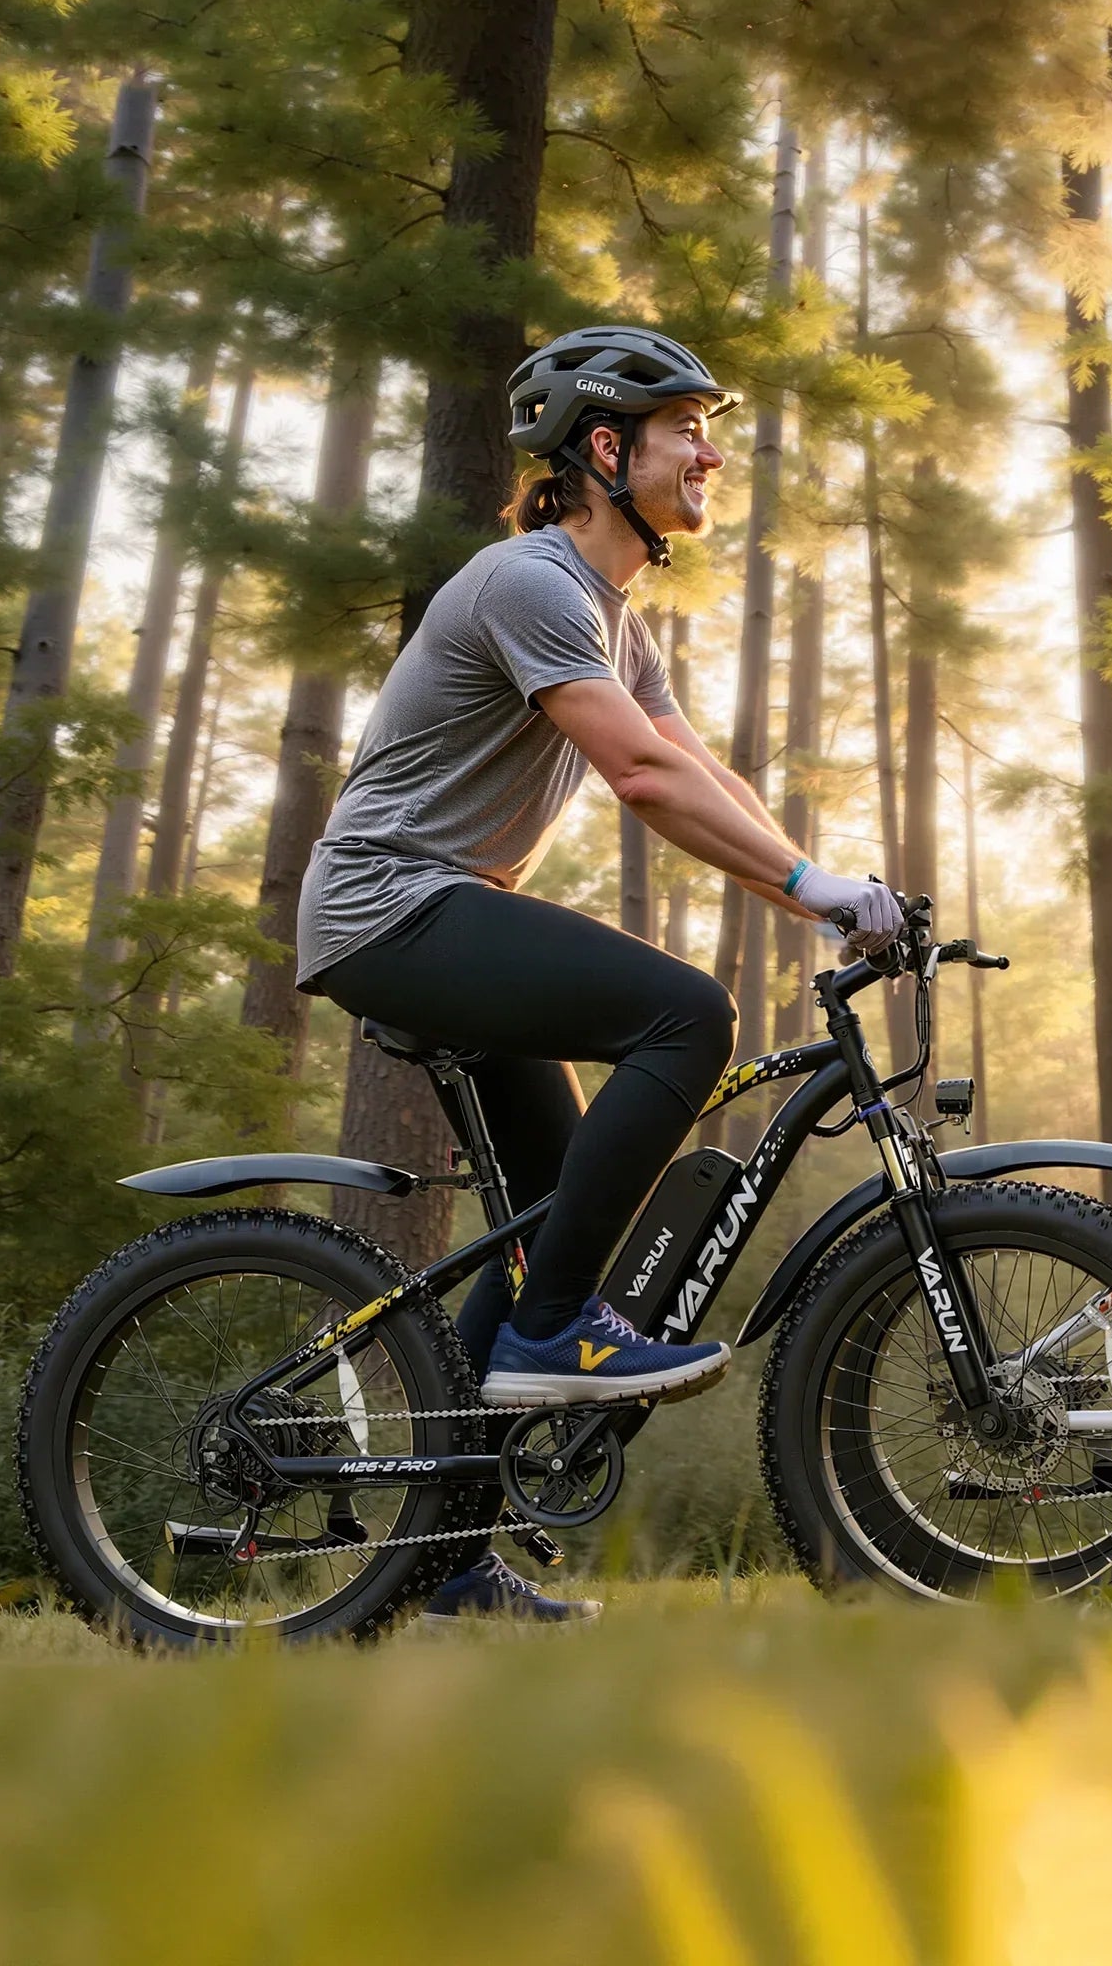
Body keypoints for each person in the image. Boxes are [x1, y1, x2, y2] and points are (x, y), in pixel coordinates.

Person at [295, 325, 902, 1620]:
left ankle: (442, 1561)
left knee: (553, 1224)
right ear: (607, 448)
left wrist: (817, 880)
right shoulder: (530, 582)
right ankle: (549, 1335)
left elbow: (695, 771)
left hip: (439, 911)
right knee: (686, 1014)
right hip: (389, 911)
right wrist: (810, 891)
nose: (713, 453)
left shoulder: (616, 625)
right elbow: (637, 776)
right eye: (690, 429)